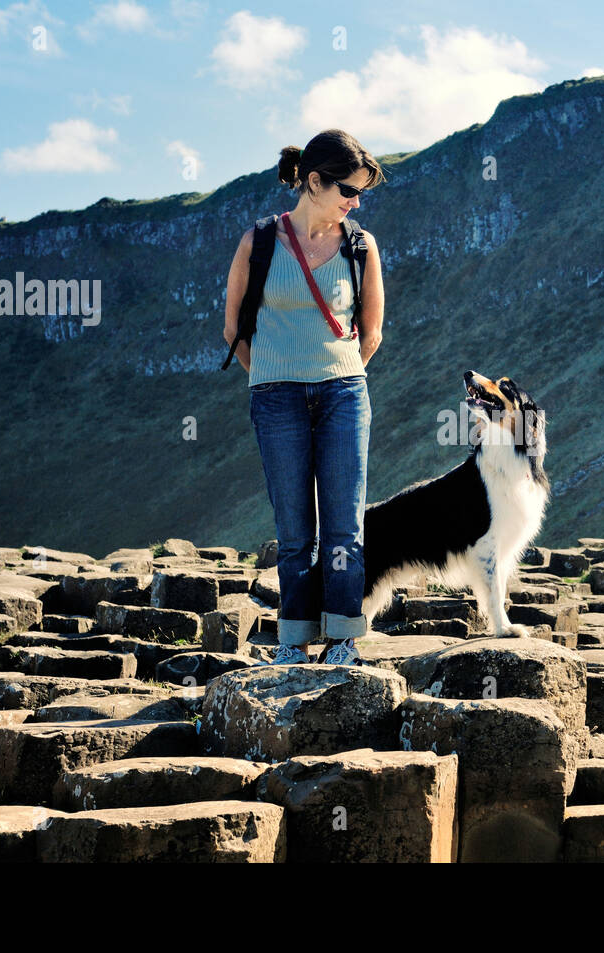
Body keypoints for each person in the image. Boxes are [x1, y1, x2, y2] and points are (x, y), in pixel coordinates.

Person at [223, 129, 386, 666]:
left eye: (361, 193)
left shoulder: (361, 246)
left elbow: (371, 333)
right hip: (276, 400)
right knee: (294, 530)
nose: (354, 202)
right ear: (313, 182)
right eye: (347, 190)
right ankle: (293, 641)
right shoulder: (260, 241)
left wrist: (335, 375)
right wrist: (273, 377)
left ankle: (343, 639)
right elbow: (233, 331)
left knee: (345, 526)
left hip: (344, 395)